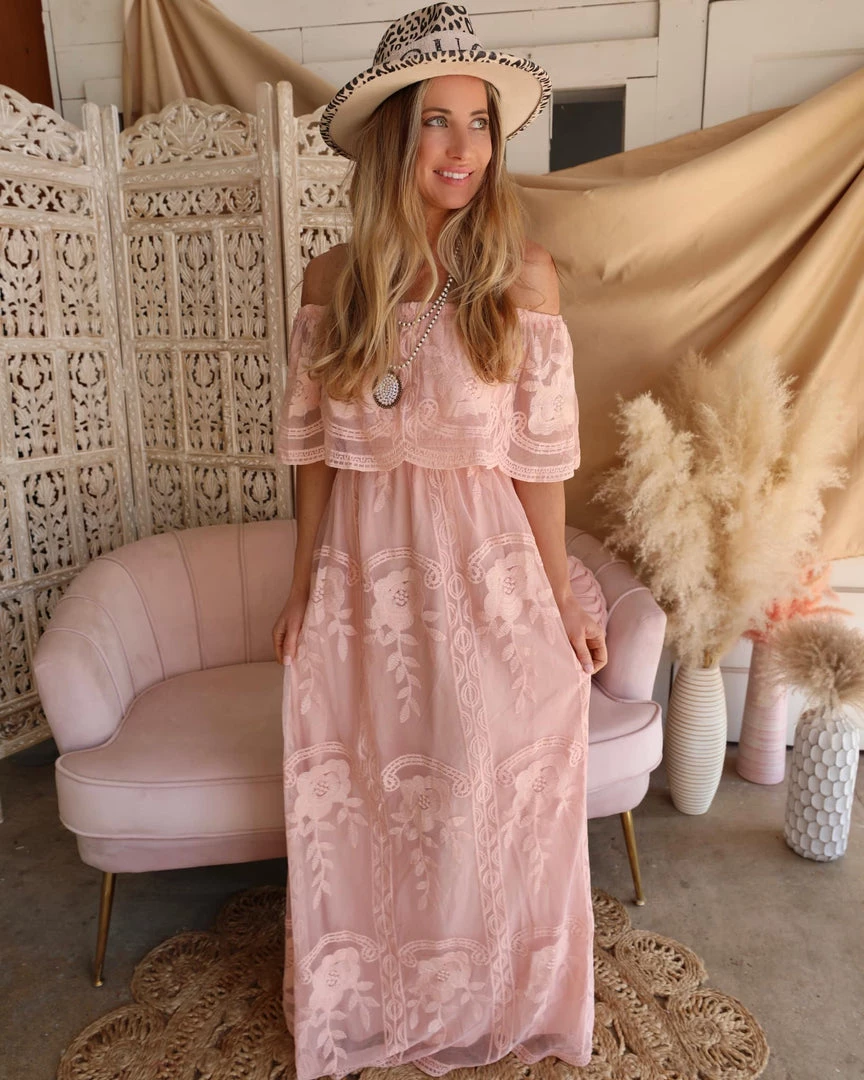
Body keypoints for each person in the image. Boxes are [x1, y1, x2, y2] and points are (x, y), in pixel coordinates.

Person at [272, 6, 607, 1078]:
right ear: (393, 137)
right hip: (365, 588)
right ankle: (381, 1003)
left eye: (481, 123)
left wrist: (561, 599)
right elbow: (315, 456)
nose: (464, 147)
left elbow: (541, 468)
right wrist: (303, 586)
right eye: (436, 121)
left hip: (486, 584)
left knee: (478, 796)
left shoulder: (523, 280)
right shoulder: (333, 284)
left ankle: (488, 997)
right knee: (378, 802)